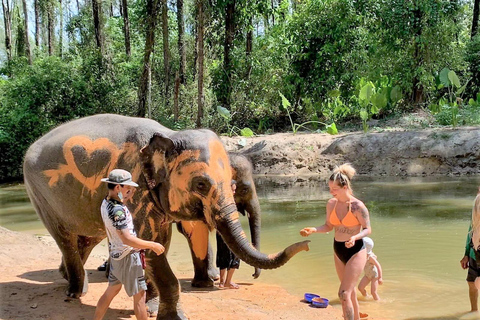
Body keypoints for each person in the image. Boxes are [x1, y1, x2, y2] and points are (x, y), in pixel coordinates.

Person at [300, 163, 371, 320]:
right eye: (330, 188)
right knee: (349, 292)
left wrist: (355, 237)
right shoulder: (331, 204)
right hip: (338, 250)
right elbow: (328, 226)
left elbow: (367, 229)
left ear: (345, 187)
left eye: (335, 189)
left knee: (343, 293)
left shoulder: (358, 206)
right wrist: (314, 229)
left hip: (356, 250)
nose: (331, 192)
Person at [93, 169, 165, 320]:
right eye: (128, 188)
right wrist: (151, 245)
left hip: (116, 255)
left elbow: (117, 220)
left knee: (111, 290)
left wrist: (126, 198)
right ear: (118, 187)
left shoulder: (106, 203)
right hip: (128, 256)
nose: (130, 191)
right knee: (140, 295)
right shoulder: (118, 210)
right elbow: (126, 239)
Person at [216, 180, 240, 289]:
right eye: (233, 190)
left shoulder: (218, 201)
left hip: (220, 232)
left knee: (222, 255)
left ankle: (221, 282)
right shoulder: (229, 202)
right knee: (235, 255)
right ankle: (228, 282)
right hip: (231, 232)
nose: (234, 192)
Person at [461, 188, 480, 312]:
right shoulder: (476, 204)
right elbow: (471, 230)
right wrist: (466, 254)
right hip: (475, 252)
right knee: (472, 282)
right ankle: (473, 312)